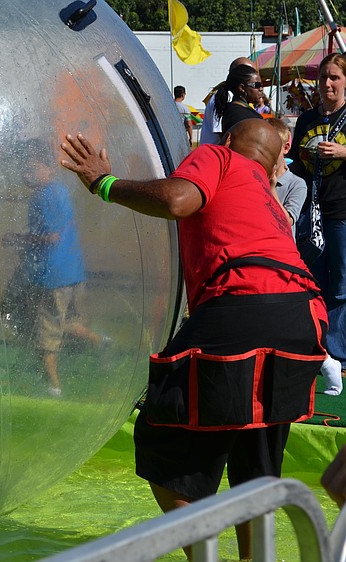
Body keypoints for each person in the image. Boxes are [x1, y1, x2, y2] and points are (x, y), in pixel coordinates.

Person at [60, 119, 328, 561]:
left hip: (243, 304)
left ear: (225, 141)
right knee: (256, 457)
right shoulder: (271, 198)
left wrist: (102, 182)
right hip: (304, 315)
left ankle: (204, 552)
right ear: (274, 160)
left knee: (160, 436)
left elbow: (178, 200)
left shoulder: (220, 158)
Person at [2, 139, 99, 396]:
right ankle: (102, 345)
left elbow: (52, 236)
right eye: (23, 168)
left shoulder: (43, 196)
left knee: (45, 336)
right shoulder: (59, 191)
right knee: (67, 321)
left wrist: (16, 239)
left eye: (32, 169)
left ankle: (53, 387)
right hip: (72, 273)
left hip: (52, 278)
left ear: (49, 168)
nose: (26, 174)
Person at [270, 118, 342, 395]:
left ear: (285, 147)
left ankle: (325, 361)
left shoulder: (295, 183)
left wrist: (271, 184)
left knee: (291, 319)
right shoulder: (252, 176)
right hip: (256, 258)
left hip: (282, 260)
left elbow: (284, 220)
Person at [289, 53, 346, 381]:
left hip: (341, 211)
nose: (327, 83)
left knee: (340, 282)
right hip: (311, 212)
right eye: (324, 77)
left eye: (334, 77)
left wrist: (342, 152)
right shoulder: (306, 119)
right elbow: (295, 160)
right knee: (312, 279)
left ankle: (337, 353)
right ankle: (317, 349)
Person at [200, 57, 256, 145]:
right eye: (249, 71)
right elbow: (222, 134)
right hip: (216, 155)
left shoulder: (236, 97)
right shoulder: (223, 96)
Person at [212, 64, 264, 139]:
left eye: (261, 85)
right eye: (257, 85)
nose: (261, 89)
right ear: (242, 88)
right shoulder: (240, 115)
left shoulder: (235, 110)